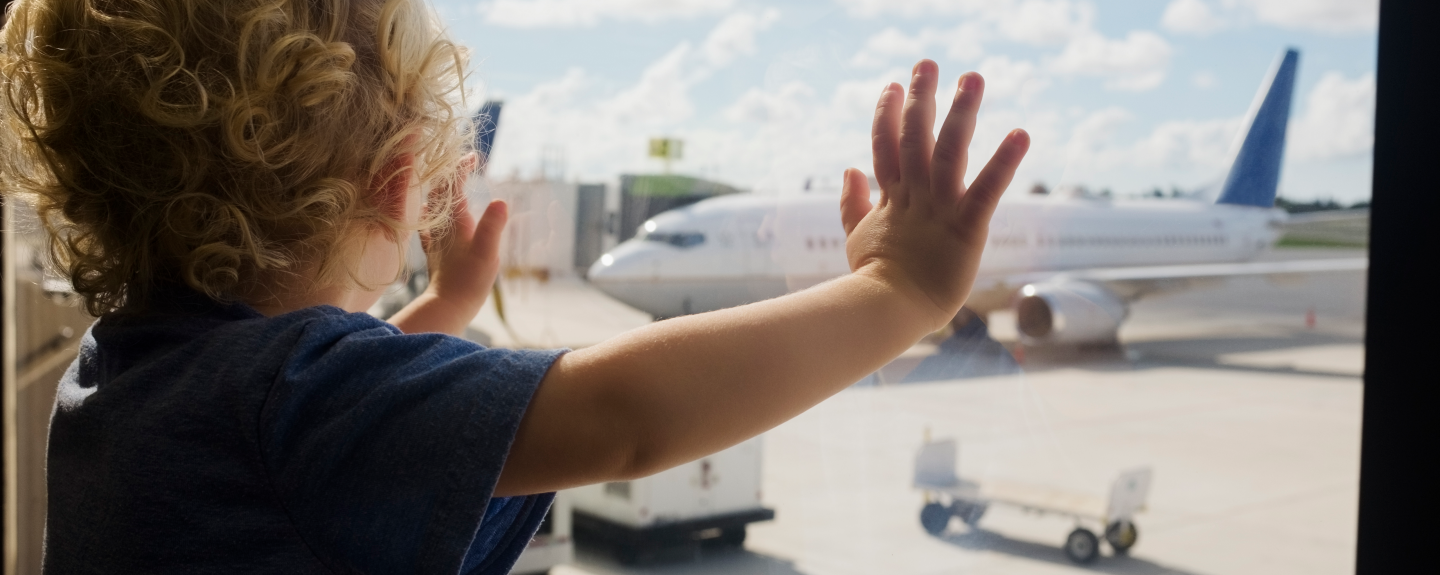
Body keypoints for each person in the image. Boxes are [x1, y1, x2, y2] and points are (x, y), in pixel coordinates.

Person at [0, 0, 1028, 572]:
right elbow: (624, 418)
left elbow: (318, 419)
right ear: (399, 183)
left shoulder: (122, 366)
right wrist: (899, 291)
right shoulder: (287, 398)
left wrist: (443, 310)